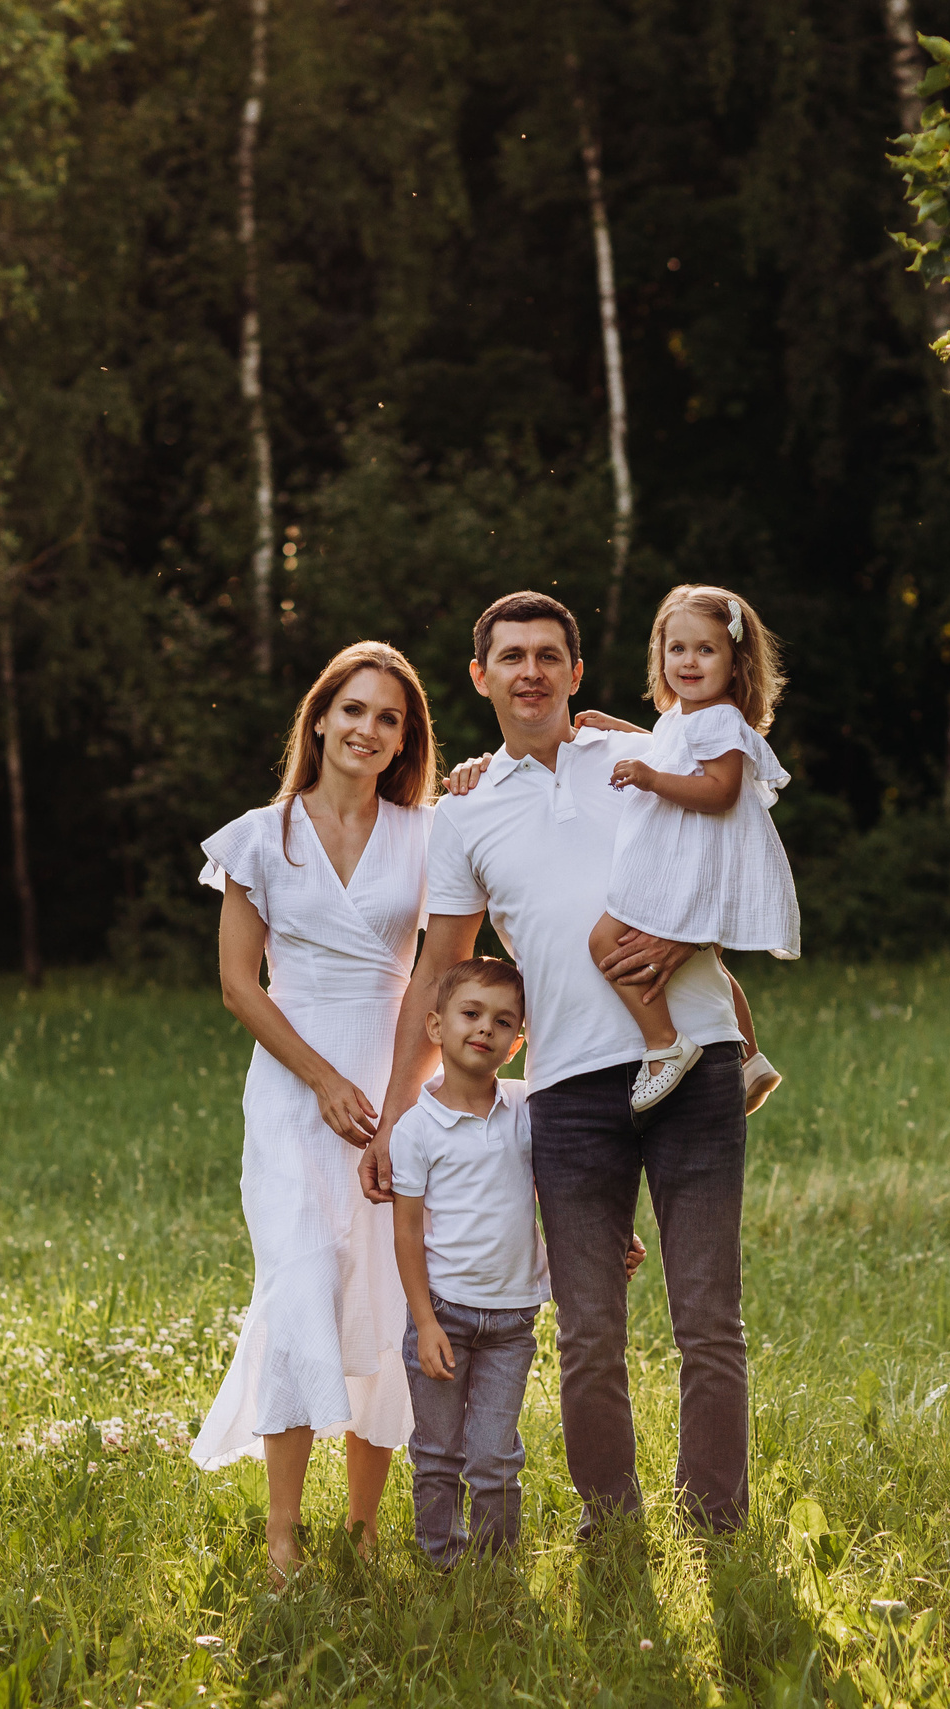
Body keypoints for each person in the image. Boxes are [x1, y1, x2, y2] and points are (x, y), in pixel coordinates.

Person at [364, 590, 753, 1535]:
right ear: (481, 676)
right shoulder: (464, 813)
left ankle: (715, 1522)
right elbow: (440, 973)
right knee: (588, 1334)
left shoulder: (645, 754)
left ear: (577, 674)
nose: (530, 670)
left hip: (692, 1059)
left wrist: (680, 934)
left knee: (708, 1320)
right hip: (570, 1092)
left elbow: (734, 850)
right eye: (511, 656)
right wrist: (392, 1117)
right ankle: (610, 1521)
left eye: (549, 654)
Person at [187, 640, 436, 1585]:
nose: (368, 730)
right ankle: (282, 1533)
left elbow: (443, 972)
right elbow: (239, 986)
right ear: (319, 718)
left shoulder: (426, 835)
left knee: (381, 1288)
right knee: (299, 1282)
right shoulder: (259, 835)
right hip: (294, 1089)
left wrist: (404, 1098)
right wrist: (325, 1080)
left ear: (402, 738)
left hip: (398, 1075)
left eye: (389, 718)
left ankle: (365, 1527)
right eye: (354, 710)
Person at [583, 583, 799, 1116]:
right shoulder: (689, 717)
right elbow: (674, 752)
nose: (689, 661)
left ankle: (664, 1045)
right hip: (695, 860)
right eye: (677, 648)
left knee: (605, 940)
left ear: (736, 663)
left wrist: (651, 779)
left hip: (692, 862)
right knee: (711, 967)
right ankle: (749, 1059)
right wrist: (622, 732)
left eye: (706, 649)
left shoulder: (721, 718)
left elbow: (720, 790)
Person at [387, 956, 551, 1569]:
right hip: (445, 1317)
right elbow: (406, 1234)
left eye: (503, 1021)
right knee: (437, 1452)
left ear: (517, 1043)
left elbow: (558, 1196)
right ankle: (440, 1564)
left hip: (512, 1321)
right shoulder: (416, 1129)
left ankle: (496, 1569)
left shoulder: (528, 1109)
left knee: (492, 1456)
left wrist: (608, 1242)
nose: (485, 1028)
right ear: (435, 1026)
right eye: (471, 1013)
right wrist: (424, 1321)